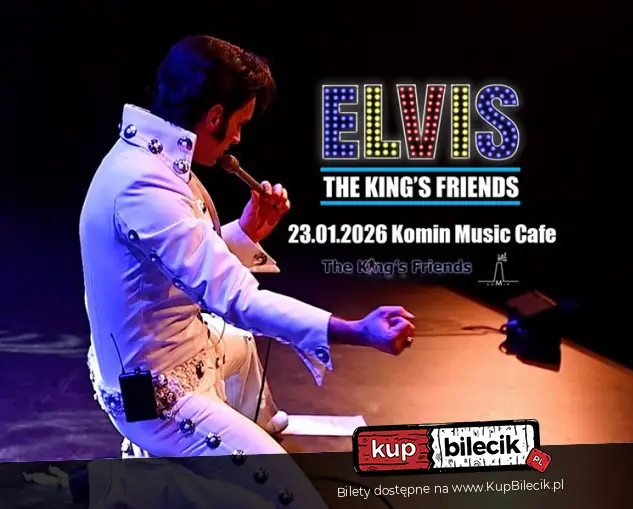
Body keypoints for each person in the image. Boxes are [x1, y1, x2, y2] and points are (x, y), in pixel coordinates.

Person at [78, 35, 415, 506]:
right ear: (215, 117)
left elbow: (185, 261)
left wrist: (248, 230)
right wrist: (356, 330)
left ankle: (261, 434)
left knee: (241, 348)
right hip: (155, 398)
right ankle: (147, 484)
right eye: (238, 124)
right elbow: (237, 298)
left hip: (180, 352)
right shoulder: (144, 186)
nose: (237, 139)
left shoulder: (148, 159)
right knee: (297, 500)